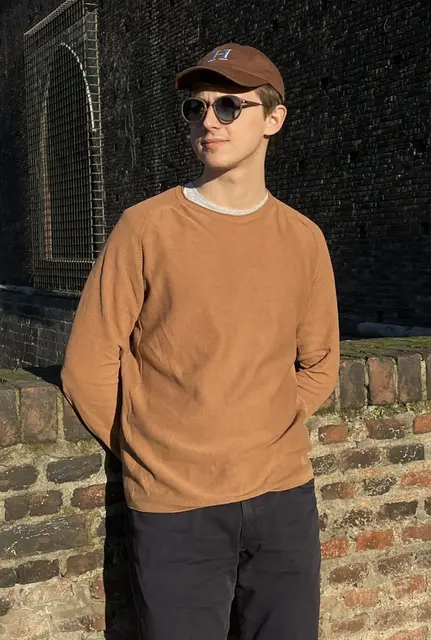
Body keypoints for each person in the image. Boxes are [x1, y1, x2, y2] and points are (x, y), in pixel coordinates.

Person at [61, 43, 340, 640]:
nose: (209, 120)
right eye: (197, 107)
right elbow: (87, 365)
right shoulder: (146, 228)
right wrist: (154, 453)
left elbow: (319, 363)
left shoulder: (303, 239)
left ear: (273, 119)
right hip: (175, 509)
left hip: (284, 499)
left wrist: (263, 427)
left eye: (230, 106)